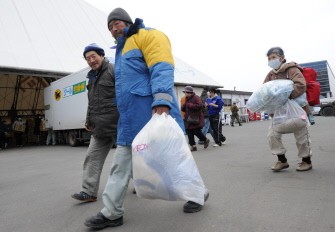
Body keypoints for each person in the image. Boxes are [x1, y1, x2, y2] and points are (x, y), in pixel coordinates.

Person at [84, 8, 209, 229]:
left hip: (155, 114)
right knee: (120, 165)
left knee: (173, 160)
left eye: (117, 23)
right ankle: (112, 212)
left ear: (127, 22)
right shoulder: (120, 53)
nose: (114, 28)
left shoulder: (150, 36)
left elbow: (161, 68)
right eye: (110, 26)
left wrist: (161, 102)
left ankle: (198, 193)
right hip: (129, 119)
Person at [71, 43, 119, 202]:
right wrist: (88, 119)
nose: (91, 60)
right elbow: (91, 101)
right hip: (99, 126)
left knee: (131, 158)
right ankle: (89, 192)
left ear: (102, 55)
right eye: (87, 59)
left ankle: (141, 184)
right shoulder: (91, 77)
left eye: (93, 56)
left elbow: (125, 95)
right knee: (92, 158)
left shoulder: (114, 70)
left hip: (119, 123)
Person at [264, 46, 312, 172]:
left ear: (282, 58)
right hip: (280, 113)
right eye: (269, 59)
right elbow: (264, 90)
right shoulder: (270, 75)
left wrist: (285, 96)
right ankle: (282, 160)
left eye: (273, 57)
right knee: (272, 134)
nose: (271, 60)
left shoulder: (292, 69)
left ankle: (306, 161)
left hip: (297, 109)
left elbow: (301, 85)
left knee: (301, 136)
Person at [181, 86, 210, 151]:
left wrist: (190, 105)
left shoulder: (196, 97)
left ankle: (205, 139)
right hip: (188, 118)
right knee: (189, 132)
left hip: (195, 118)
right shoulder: (186, 98)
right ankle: (193, 146)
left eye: (185, 92)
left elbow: (200, 106)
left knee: (196, 131)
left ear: (189, 92)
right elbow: (185, 107)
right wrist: (183, 107)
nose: (184, 93)